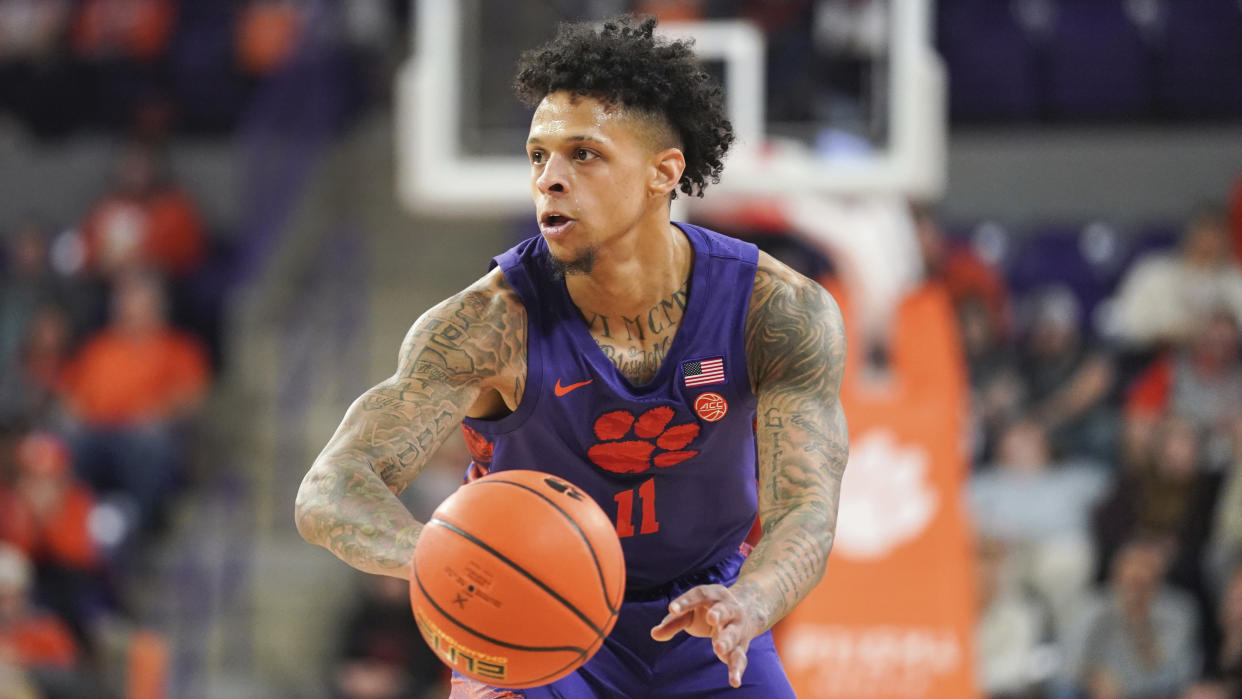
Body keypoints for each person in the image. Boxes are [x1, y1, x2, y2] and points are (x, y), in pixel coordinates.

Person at [295, 15, 848, 698]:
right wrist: (450, 559)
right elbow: (330, 489)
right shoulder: (486, 324)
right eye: (537, 155)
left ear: (662, 172)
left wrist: (753, 600)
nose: (549, 179)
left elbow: (807, 511)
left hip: (707, 606)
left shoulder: (775, 310)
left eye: (583, 154)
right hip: (523, 612)